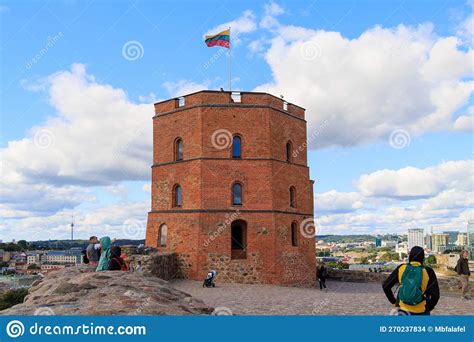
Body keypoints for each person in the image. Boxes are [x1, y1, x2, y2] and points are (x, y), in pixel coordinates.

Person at [382, 246, 439, 315]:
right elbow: (435, 295)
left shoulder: (402, 268)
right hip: (422, 310)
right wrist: (429, 307)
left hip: (403, 310)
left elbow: (386, 286)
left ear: (410, 256)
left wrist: (393, 301)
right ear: (423, 257)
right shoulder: (428, 271)